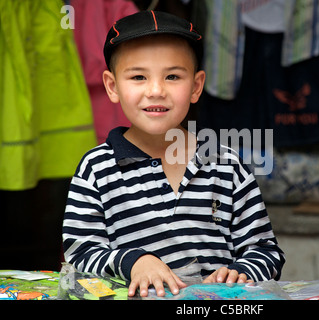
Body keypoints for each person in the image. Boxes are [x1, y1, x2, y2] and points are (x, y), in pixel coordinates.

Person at [62, 10, 285, 298]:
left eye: (172, 76)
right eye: (139, 76)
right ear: (112, 86)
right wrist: (133, 262)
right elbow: (80, 253)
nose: (156, 90)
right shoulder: (96, 169)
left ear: (195, 86)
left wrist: (241, 271)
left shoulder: (227, 167)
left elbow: (265, 251)